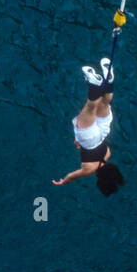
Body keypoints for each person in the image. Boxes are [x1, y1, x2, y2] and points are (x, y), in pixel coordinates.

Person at [52, 57, 118, 187]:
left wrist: (80, 144)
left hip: (103, 133)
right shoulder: (89, 169)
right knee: (90, 107)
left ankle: (109, 81)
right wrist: (63, 182)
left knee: (105, 102)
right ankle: (94, 84)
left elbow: (97, 149)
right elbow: (72, 176)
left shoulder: (108, 153)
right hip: (89, 140)